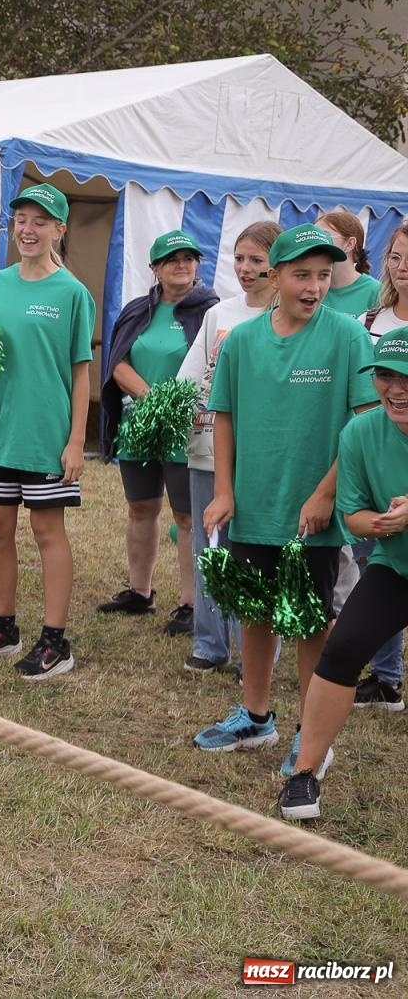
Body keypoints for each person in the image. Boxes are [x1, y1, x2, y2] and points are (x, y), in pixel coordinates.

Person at [196, 224, 374, 774]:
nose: (314, 286)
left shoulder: (348, 336)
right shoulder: (244, 340)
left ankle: (309, 730)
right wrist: (224, 490)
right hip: (255, 504)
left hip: (312, 514)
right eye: (301, 274)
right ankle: (255, 715)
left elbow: (364, 422)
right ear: (273, 277)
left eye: (323, 275)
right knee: (255, 612)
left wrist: (326, 494)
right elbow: (223, 416)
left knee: (310, 622)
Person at [0, 183, 94, 680]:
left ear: (60, 230)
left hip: (48, 436)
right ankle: (3, 627)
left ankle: (56, 640)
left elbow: (81, 372)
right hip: (0, 430)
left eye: (41, 221)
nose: (28, 229)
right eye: (21, 220)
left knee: (45, 530)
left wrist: (77, 440)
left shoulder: (73, 293)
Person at [277, 327, 408, 819]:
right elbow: (351, 515)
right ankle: (304, 773)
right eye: (386, 376)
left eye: (406, 377)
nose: (396, 389)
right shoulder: (359, 433)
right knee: (343, 647)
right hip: (397, 566)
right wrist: (384, 522)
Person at [97, 230, 220, 635]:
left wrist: (177, 405)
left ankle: (189, 603)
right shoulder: (137, 310)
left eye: (188, 258)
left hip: (190, 429)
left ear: (197, 265)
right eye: (170, 259)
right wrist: (151, 399)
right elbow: (117, 363)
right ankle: (140, 592)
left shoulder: (213, 312)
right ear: (155, 268)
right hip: (141, 424)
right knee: (140, 509)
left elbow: (215, 369)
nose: (180, 265)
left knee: (187, 516)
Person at [175, 221, 279, 674]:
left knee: (250, 552)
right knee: (208, 544)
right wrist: (177, 414)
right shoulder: (222, 313)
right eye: (239, 259)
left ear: (277, 265)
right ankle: (209, 642)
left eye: (257, 260)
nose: (245, 268)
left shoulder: (284, 316)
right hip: (209, 443)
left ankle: (251, 648)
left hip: (257, 451)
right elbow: (193, 371)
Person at [333, 219, 408, 706]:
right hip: (379, 455)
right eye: (397, 258)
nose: (403, 270)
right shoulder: (372, 318)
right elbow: (367, 400)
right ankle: (385, 673)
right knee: (377, 560)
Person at [315, 209, 382, 319]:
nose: (315, 244)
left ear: (350, 244)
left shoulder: (376, 292)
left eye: (324, 236)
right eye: (315, 237)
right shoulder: (310, 287)